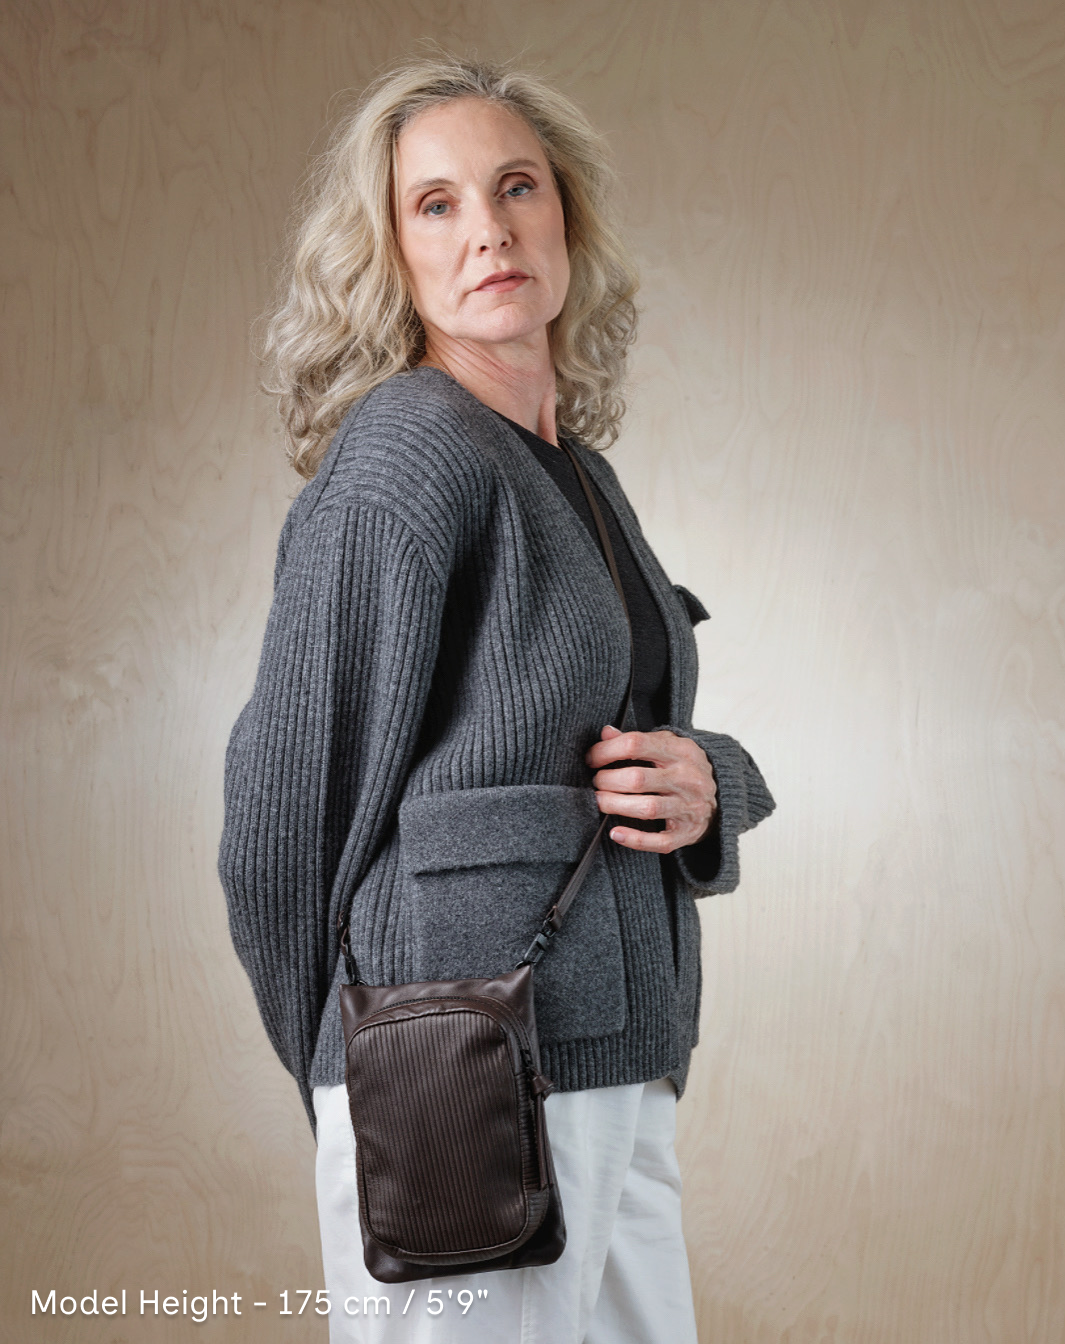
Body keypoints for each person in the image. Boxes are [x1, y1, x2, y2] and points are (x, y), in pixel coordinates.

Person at [217, 48, 775, 1344]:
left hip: (615, 1067)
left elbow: (609, 742)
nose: (489, 230)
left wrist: (714, 784)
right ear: (391, 255)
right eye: (437, 203)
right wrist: (355, 1079)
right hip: (460, 1083)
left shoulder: (577, 472)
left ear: (565, 215)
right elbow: (280, 826)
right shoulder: (410, 451)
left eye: (517, 186)